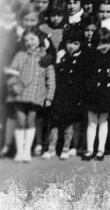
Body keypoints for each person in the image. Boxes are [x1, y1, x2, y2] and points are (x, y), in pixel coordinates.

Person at [4, 29, 55, 162]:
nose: (29, 43)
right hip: (19, 93)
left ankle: (27, 151)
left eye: (32, 39)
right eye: (26, 40)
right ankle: (20, 152)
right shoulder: (20, 55)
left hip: (35, 94)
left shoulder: (45, 57)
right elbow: (11, 72)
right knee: (20, 121)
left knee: (30, 121)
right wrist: (13, 85)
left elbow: (51, 79)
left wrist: (49, 97)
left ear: (39, 40)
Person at [45, 27, 84, 159]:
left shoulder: (81, 60)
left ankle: (66, 147)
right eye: (69, 43)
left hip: (73, 97)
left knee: (69, 123)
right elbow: (56, 75)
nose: (71, 46)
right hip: (60, 95)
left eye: (75, 43)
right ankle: (51, 146)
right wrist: (58, 60)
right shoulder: (62, 58)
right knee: (55, 122)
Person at [82, 28, 110, 160]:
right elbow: (86, 77)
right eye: (100, 43)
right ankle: (89, 149)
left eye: (107, 43)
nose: (104, 47)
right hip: (92, 93)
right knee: (92, 122)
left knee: (103, 122)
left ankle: (101, 150)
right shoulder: (90, 57)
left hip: (106, 94)